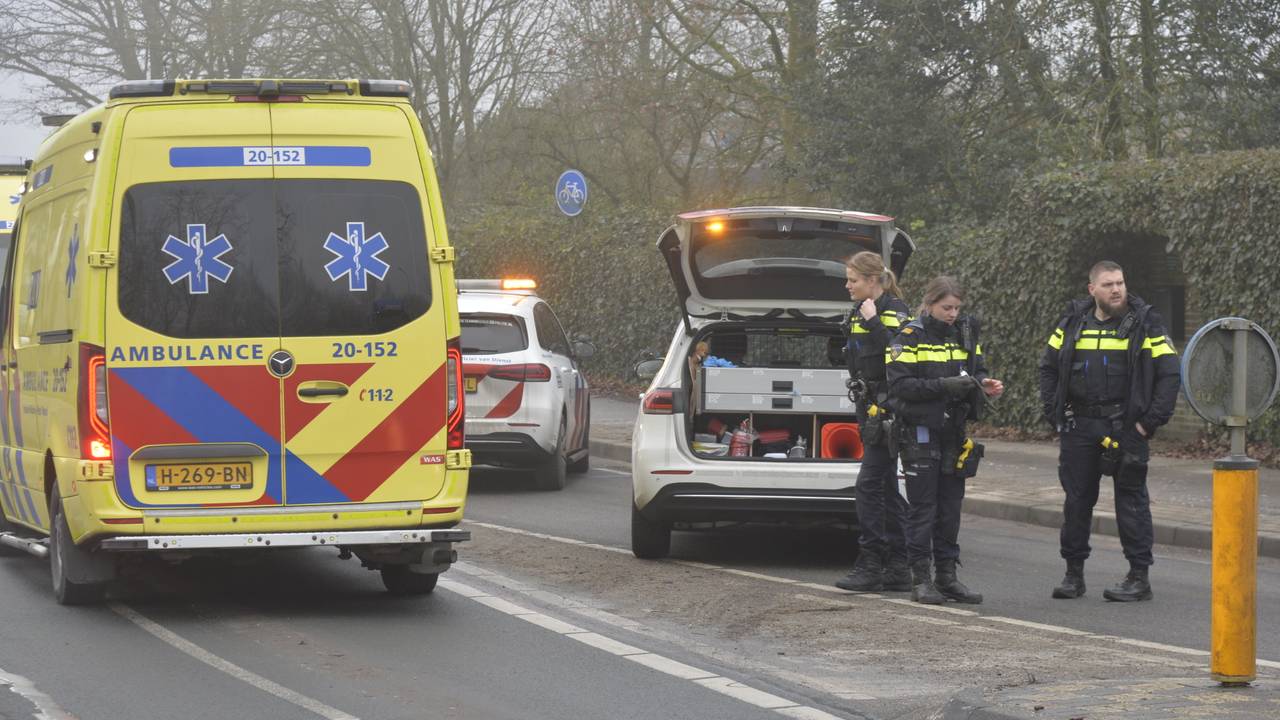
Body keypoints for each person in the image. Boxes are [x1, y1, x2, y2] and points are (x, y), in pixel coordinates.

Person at [1038, 260, 1180, 602]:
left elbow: (1170, 374)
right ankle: (1073, 575)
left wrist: (1148, 423)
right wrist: (1056, 414)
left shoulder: (1146, 324)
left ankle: (1138, 578)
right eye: (1108, 284)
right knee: (1077, 502)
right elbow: (1048, 368)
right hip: (1080, 427)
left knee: (1131, 503)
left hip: (1127, 428)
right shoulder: (1072, 323)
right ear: (1092, 290)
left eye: (1120, 282)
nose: (1116, 289)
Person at [886, 276, 1003, 604]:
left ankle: (948, 577)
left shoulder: (964, 335)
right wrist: (945, 387)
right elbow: (900, 387)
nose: (952, 314)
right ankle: (920, 579)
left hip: (954, 433)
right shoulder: (908, 337)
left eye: (956, 308)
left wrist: (984, 383)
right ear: (929, 304)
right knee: (923, 508)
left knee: (950, 509)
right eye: (946, 307)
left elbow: (976, 369)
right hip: (919, 433)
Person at [835, 251, 912, 592]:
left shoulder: (895, 311)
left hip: (889, 409)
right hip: (868, 408)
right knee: (886, 487)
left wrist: (873, 323)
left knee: (869, 485)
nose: (847, 285)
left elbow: (899, 355)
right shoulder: (857, 310)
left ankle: (870, 565)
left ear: (871, 281)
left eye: (853, 279)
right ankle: (898, 565)